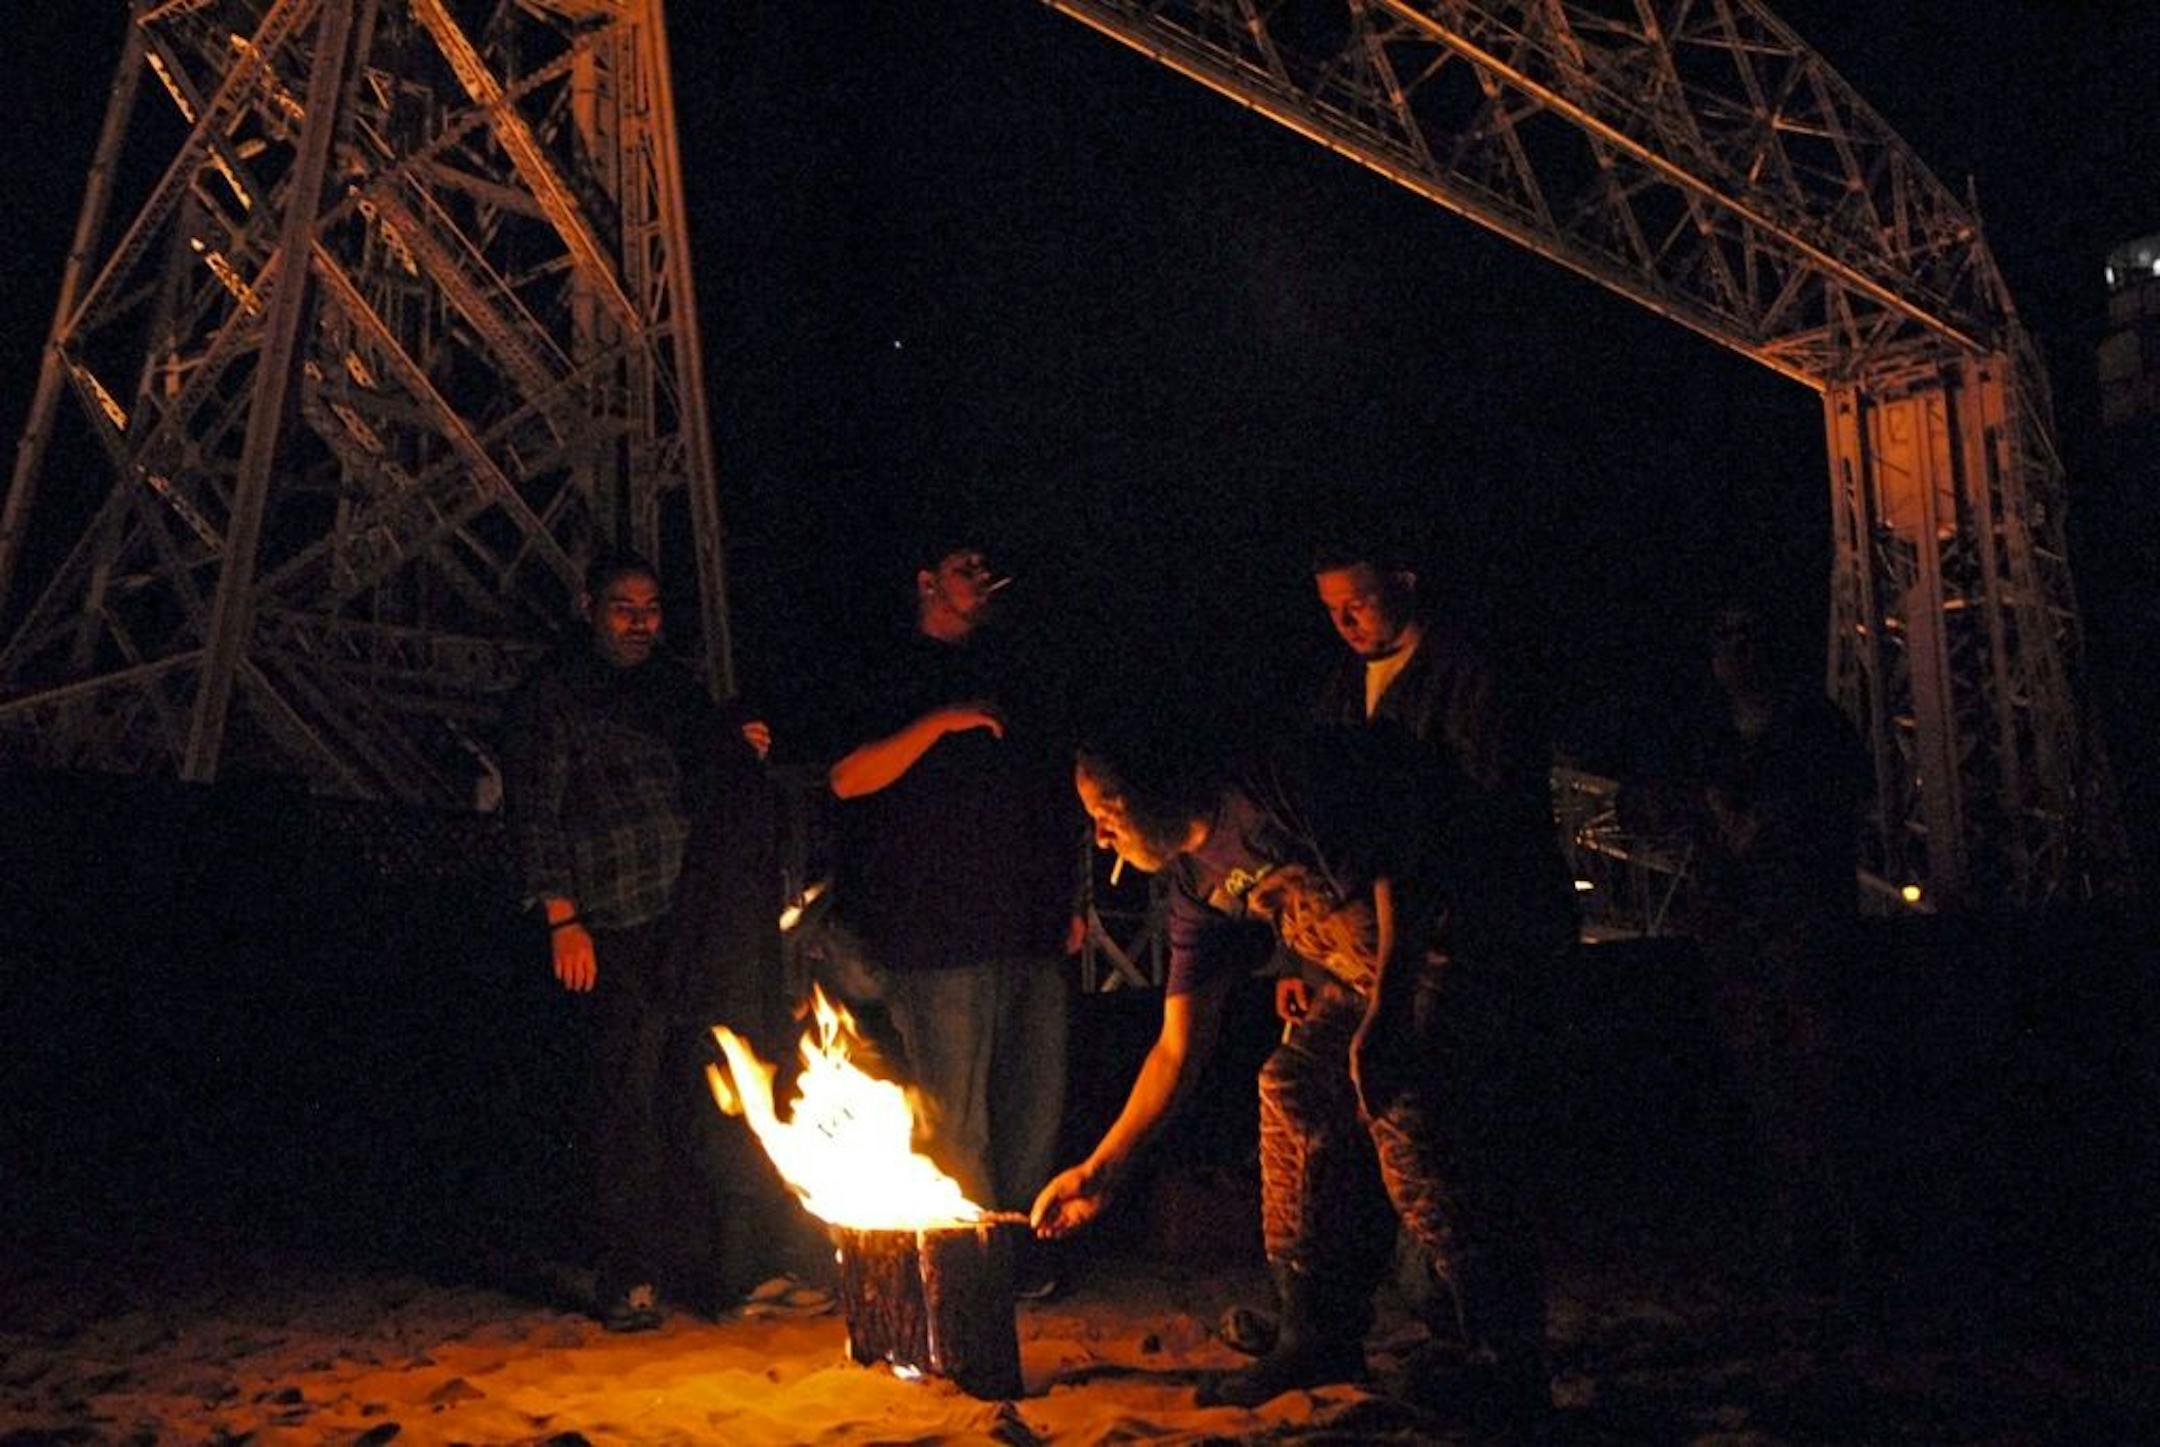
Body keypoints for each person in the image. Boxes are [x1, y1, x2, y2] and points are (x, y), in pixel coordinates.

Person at [1034, 721, 1565, 1423]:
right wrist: (1103, 1167)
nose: (1101, 837)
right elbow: (1176, 1047)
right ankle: (1316, 1331)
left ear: (1157, 786)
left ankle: (1504, 1350)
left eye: (1107, 812)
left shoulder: (1269, 786)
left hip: (1456, 948)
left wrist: (1388, 1017)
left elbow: (1395, 872)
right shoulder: (1195, 886)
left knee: (1402, 1099)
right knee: (1292, 1086)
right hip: (1362, 976)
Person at [501, 552, 775, 1330]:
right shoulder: (554, 695)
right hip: (612, 921)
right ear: (589, 605)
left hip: (686, 920)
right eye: (623, 606)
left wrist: (737, 742)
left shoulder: (669, 688)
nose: (639, 621)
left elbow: (703, 769)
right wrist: (562, 917)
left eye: (650, 607)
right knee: (625, 1102)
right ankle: (628, 1277)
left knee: (701, 1094)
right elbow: (534, 811)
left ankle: (714, 1269)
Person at [827, 537, 1081, 1280]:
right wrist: (940, 723)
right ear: (927, 580)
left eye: (985, 567)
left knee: (1033, 1102)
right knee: (956, 1116)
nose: (982, 579)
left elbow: (1053, 788)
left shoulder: (1014, 671)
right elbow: (848, 778)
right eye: (966, 567)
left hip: (1027, 922)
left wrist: (1068, 897)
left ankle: (1021, 1255)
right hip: (935, 931)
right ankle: (967, 1273)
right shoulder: (890, 670)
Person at [1685, 604, 1868, 1299]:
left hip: (1803, 939)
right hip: (1740, 946)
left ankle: (1840, 1243)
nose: (1730, 654)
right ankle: (1788, 1240)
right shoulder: (1715, 739)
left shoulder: (1811, 732)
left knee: (1821, 1090)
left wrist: (1745, 819)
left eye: (1744, 639)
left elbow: (1804, 822)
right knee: (1763, 1093)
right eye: (1722, 639)